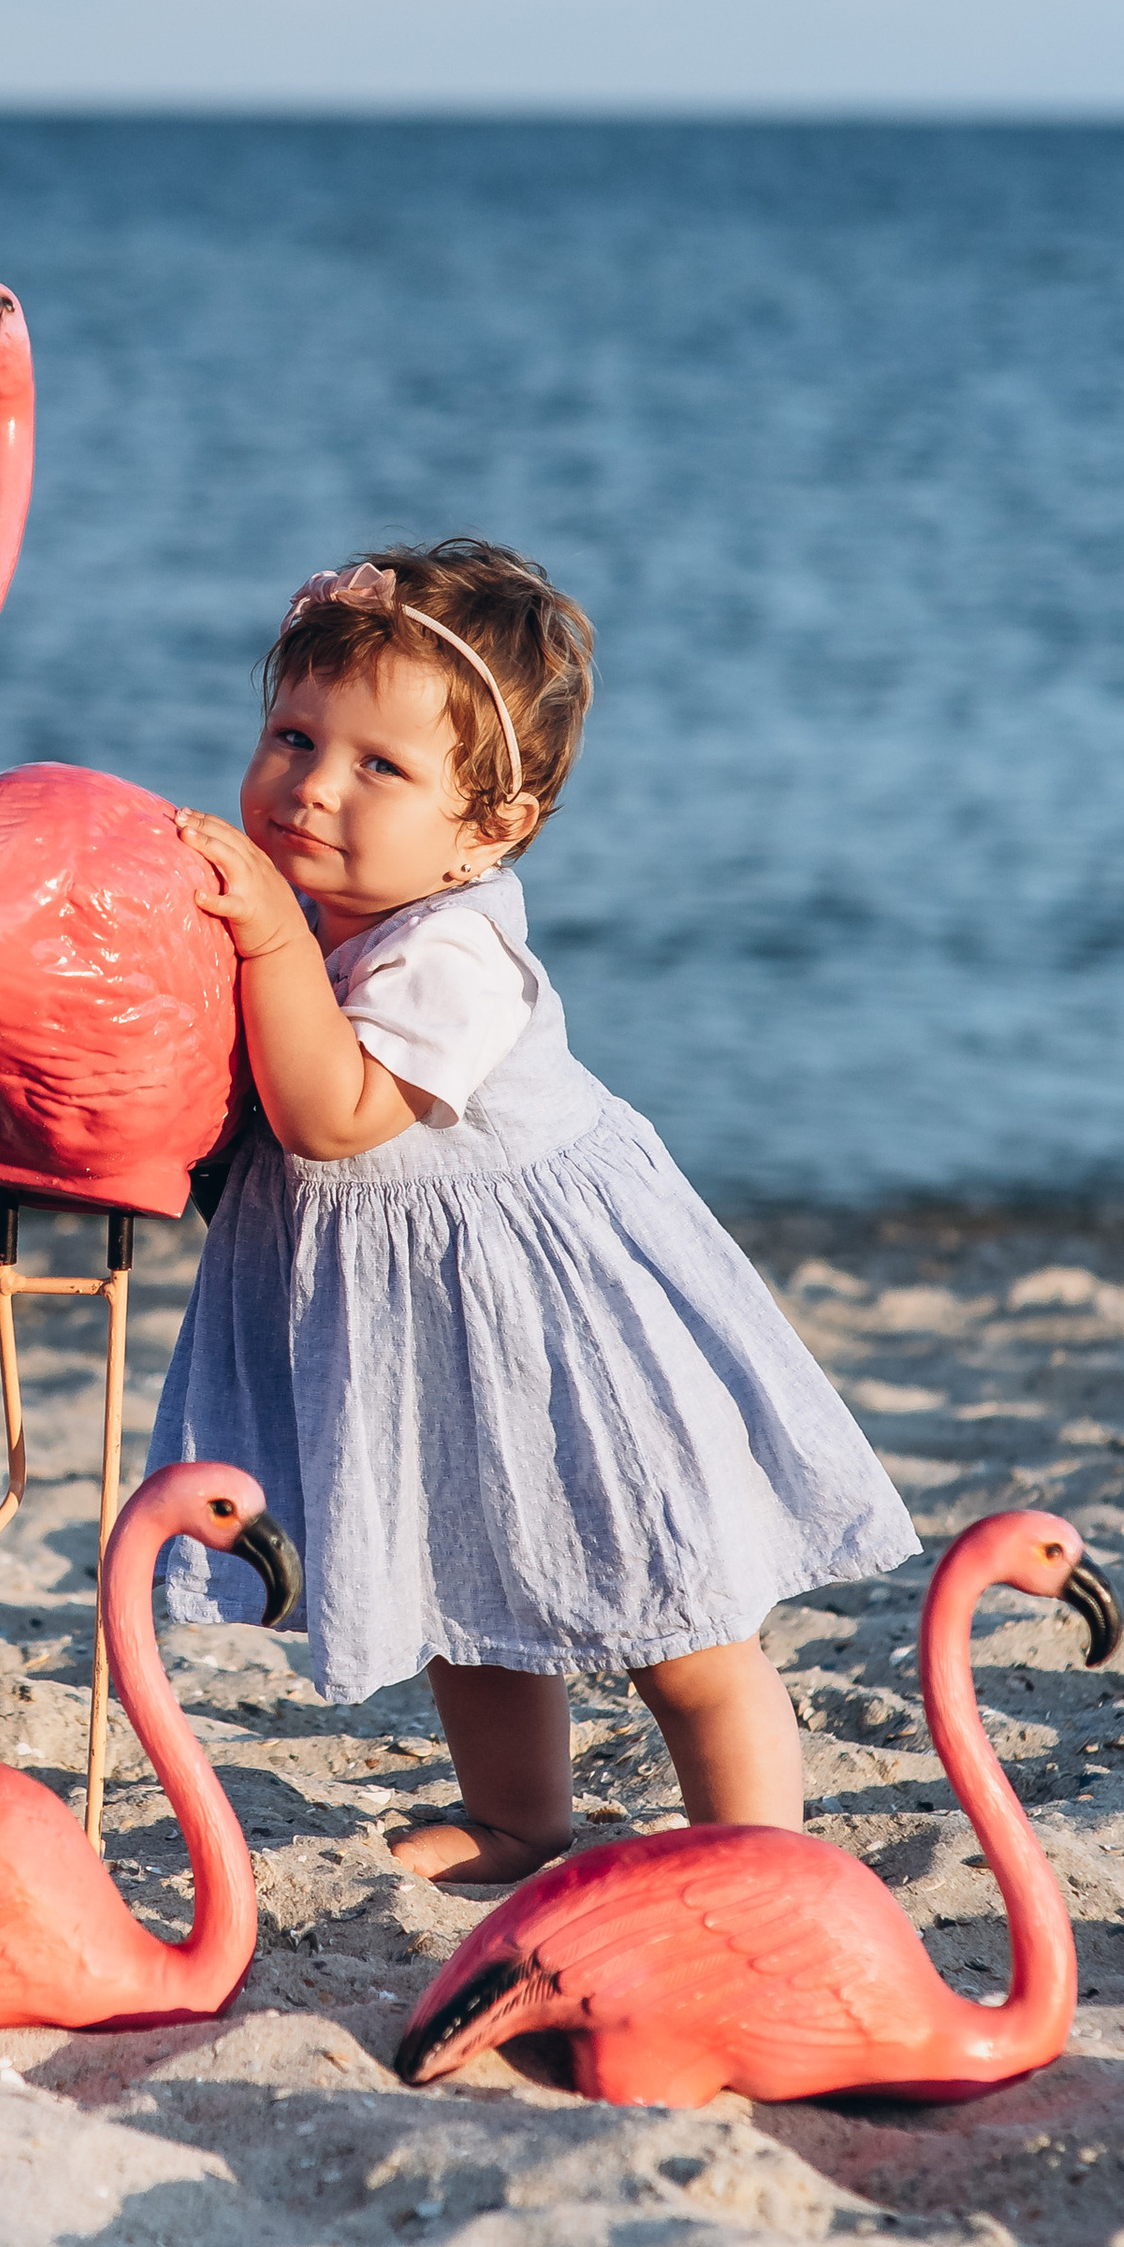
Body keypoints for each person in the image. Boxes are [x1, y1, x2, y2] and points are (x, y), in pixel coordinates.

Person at [161, 540, 916, 1887]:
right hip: (416, 1328)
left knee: (674, 1614)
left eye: (379, 767)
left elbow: (333, 1112)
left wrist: (269, 940)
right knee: (469, 1581)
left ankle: (761, 1858)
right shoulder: (321, 916)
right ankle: (519, 1816)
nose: (313, 786)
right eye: (291, 736)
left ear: (491, 825)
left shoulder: (455, 951)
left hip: (555, 1323)